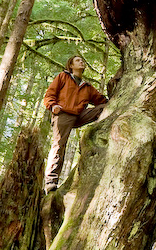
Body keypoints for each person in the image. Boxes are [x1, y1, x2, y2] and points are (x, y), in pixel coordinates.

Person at [43, 55, 108, 193]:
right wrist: (53, 106)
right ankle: (50, 182)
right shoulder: (63, 77)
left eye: (82, 60)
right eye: (78, 60)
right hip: (63, 115)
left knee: (102, 109)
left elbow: (101, 101)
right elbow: (49, 94)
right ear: (71, 65)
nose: (82, 62)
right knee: (59, 145)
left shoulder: (87, 87)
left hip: (79, 116)